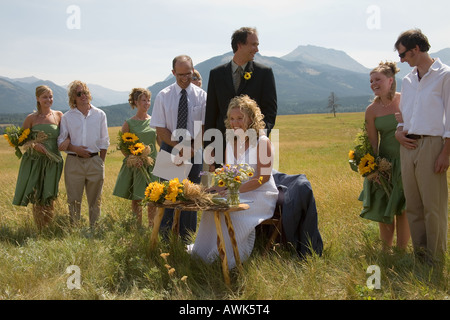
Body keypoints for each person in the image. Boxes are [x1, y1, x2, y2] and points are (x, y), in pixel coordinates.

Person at [190, 95, 279, 269]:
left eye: (240, 118)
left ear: (251, 119)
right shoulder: (231, 142)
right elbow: (228, 176)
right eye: (232, 118)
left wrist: (235, 192)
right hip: (237, 193)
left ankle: (227, 259)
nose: (235, 123)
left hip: (261, 195)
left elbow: (263, 177)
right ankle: (203, 256)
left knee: (231, 212)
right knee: (211, 210)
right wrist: (215, 188)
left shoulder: (263, 142)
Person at [394, 29, 449, 263]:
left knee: (433, 207)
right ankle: (421, 258)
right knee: (414, 206)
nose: (402, 61)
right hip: (407, 146)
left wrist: (446, 152)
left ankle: (436, 260)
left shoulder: (445, 75)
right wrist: (398, 133)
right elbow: (405, 116)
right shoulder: (407, 80)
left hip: (432, 145)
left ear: (416, 49)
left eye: (404, 54)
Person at [150, 55, 207, 239]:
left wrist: (192, 148)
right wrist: (180, 147)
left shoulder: (202, 96)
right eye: (180, 74)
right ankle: (166, 242)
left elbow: (205, 127)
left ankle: (187, 241)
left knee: (191, 200)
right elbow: (160, 128)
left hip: (195, 151)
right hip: (170, 149)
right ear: (173, 72)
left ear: (193, 71)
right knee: (168, 197)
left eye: (188, 74)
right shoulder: (163, 96)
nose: (185, 78)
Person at [204, 27, 277, 168]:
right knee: (224, 188)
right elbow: (211, 113)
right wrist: (210, 148)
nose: (257, 49)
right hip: (223, 144)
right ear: (239, 45)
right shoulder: (216, 74)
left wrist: (258, 137)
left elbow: (270, 111)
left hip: (253, 147)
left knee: (253, 184)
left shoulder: (264, 73)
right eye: (253, 44)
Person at [359, 61, 410, 251]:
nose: (373, 84)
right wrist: (375, 170)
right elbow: (373, 143)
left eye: (377, 80)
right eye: (371, 81)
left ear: (390, 81)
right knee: (385, 205)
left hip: (407, 160)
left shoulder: (405, 99)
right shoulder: (371, 110)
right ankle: (386, 250)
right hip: (386, 164)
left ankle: (402, 250)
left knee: (404, 208)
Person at [58, 80, 110, 228]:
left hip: (95, 160)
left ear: (89, 94)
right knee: (73, 199)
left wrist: (101, 162)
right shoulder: (67, 117)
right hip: (74, 162)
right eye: (78, 93)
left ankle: (95, 229)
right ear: (73, 97)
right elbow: (61, 142)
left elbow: (104, 141)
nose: (83, 96)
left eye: (85, 92)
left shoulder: (100, 114)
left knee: (96, 200)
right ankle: (75, 229)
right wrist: (75, 149)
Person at [12, 85, 64, 229]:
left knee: (49, 194)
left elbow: (66, 136)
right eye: (45, 97)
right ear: (37, 99)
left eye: (50, 96)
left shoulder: (59, 115)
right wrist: (34, 145)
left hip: (53, 161)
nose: (48, 100)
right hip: (34, 161)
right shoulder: (31, 118)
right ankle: (40, 227)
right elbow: (22, 139)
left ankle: (48, 227)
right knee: (37, 196)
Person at [113, 88, 158, 227]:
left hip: (153, 163)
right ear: (136, 102)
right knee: (137, 198)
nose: (147, 103)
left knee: (154, 196)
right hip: (137, 165)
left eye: (148, 100)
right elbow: (123, 146)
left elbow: (160, 141)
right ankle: (137, 226)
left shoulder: (155, 121)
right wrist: (133, 159)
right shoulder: (129, 123)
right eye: (143, 100)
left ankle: (152, 226)